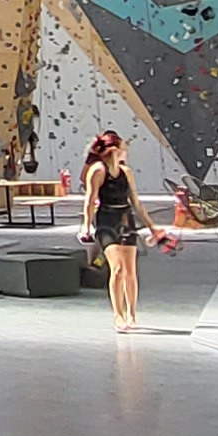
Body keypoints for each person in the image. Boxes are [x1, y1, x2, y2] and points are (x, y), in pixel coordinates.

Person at [81, 130, 149, 332]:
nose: (126, 152)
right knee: (117, 269)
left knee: (130, 271)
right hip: (106, 219)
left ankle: (132, 315)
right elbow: (90, 200)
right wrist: (86, 225)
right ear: (114, 150)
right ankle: (118, 315)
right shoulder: (98, 170)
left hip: (125, 219)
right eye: (123, 148)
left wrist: (152, 227)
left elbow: (136, 202)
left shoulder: (126, 172)